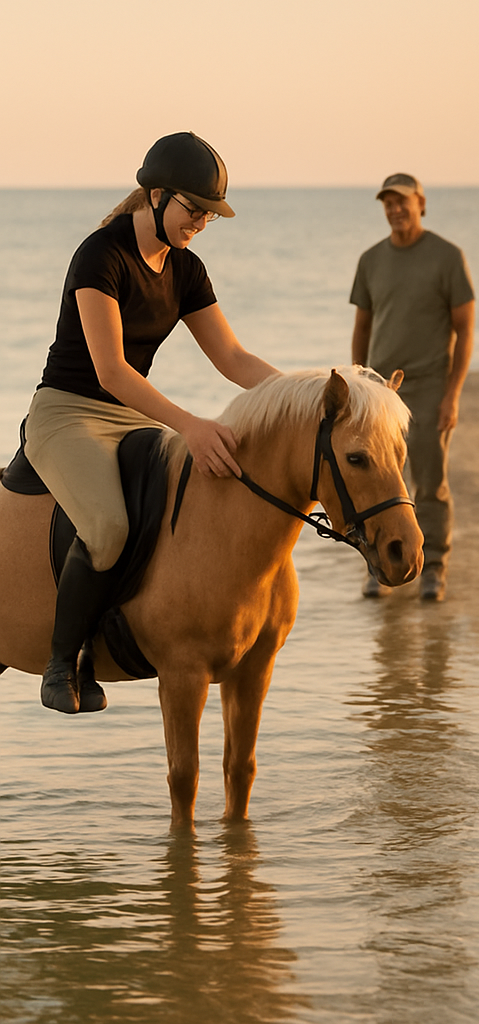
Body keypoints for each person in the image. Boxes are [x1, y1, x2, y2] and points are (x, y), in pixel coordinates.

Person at [22, 131, 280, 715]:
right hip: (67, 413)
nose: (202, 224)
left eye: (211, 216)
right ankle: (63, 663)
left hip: (129, 416)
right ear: (157, 197)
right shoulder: (100, 255)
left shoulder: (187, 269)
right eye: (196, 210)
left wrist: (303, 394)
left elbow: (233, 359)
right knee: (109, 526)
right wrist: (190, 424)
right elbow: (110, 371)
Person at [350, 173, 475, 602]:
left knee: (430, 482)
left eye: (402, 201)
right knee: (373, 482)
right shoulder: (370, 260)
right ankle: (377, 565)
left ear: (421, 202)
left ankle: (433, 567)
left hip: (429, 386)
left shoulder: (447, 257)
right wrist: (358, 381)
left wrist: (452, 394)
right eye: (387, 202)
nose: (395, 209)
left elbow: (465, 330)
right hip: (380, 390)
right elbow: (362, 326)